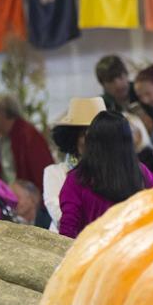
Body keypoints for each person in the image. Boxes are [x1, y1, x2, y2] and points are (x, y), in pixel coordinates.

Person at [58, 111, 153, 238]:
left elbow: (68, 229)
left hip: (95, 248)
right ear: (127, 140)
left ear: (91, 140)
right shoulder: (140, 172)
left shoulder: (77, 178)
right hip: (136, 247)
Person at [43, 97, 106, 232]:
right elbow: (61, 217)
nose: (92, 140)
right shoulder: (55, 173)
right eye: (85, 134)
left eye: (98, 134)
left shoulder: (117, 170)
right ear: (73, 137)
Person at [0, 92, 54, 198]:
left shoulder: (28, 136)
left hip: (29, 201)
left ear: (2, 114)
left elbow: (40, 175)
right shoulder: (1, 139)